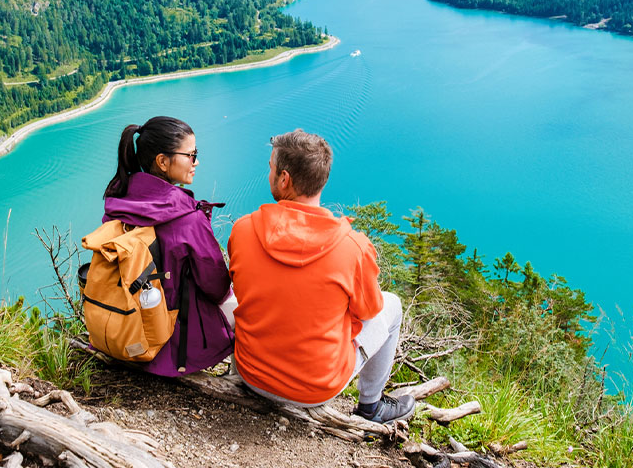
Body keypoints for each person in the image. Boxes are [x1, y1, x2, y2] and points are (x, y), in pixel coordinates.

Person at [227, 129, 415, 423]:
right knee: (392, 305)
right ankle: (371, 407)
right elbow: (368, 311)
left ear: (284, 179)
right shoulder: (353, 247)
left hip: (252, 374)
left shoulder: (243, 229)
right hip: (316, 388)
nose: (269, 174)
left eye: (270, 169)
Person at [101, 115, 234, 375]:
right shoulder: (187, 218)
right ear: (162, 161)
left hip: (121, 325)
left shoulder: (118, 200)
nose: (197, 162)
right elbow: (216, 287)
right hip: (170, 344)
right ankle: (244, 383)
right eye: (191, 155)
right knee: (246, 311)